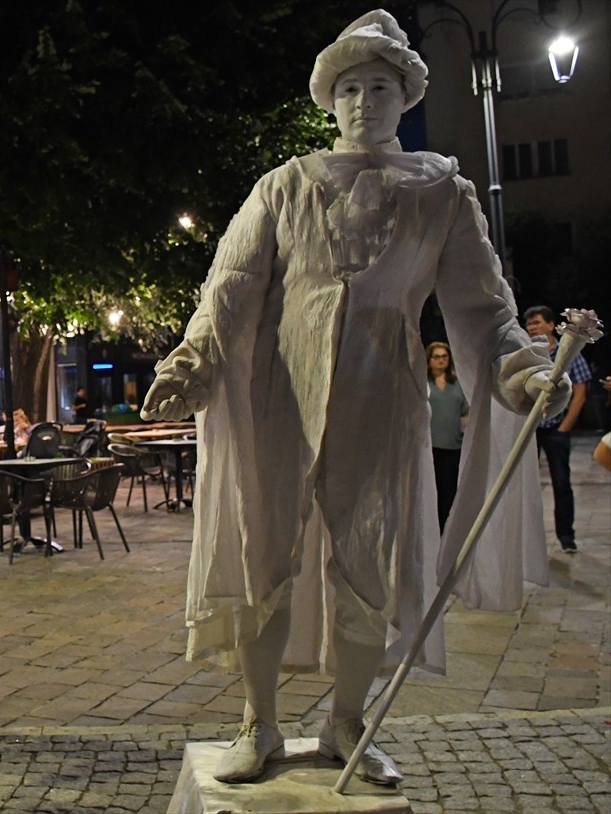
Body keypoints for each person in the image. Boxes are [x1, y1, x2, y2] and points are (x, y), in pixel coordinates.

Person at [140, 10, 565, 786]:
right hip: (278, 388)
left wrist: (523, 369)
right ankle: (257, 722)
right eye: (349, 88)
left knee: (371, 562)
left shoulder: (443, 193)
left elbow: (484, 308)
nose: (363, 101)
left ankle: (347, 723)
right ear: (328, 101)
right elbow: (229, 287)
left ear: (404, 97)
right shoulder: (284, 185)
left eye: (378, 86)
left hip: (381, 394)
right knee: (264, 552)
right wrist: (194, 360)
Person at [525, 305, 592, 552]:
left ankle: (566, 536)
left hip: (555, 428)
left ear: (551, 325)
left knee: (561, 482)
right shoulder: (527, 353)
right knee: (526, 484)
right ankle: (529, 538)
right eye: (530, 325)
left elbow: (581, 390)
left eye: (537, 323)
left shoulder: (568, 351)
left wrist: (565, 427)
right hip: (530, 429)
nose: (532, 328)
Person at [426, 342, 468, 531]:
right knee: (431, 492)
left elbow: (465, 412)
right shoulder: (424, 384)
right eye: (437, 357)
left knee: (449, 493)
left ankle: (446, 532)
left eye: (444, 356)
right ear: (429, 360)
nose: (441, 360)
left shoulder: (456, 383)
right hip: (430, 447)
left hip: (452, 446)